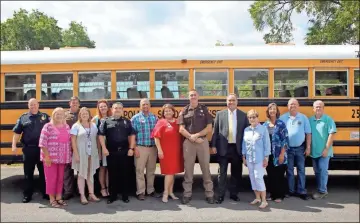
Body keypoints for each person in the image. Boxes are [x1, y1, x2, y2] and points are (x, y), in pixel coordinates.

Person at [177, 89, 215, 204]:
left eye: (194, 95)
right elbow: (181, 129)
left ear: (198, 96)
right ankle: (187, 194)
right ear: (188, 97)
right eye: (191, 95)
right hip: (189, 142)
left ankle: (209, 194)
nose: (193, 97)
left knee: (205, 169)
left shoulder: (204, 109)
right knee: (188, 169)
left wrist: (197, 135)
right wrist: (191, 137)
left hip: (202, 142)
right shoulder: (184, 111)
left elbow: (209, 128)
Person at [210, 94, 248, 204]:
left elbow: (246, 133)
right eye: (229, 101)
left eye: (233, 100)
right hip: (223, 147)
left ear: (237, 102)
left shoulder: (243, 115)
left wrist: (245, 150)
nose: (231, 102)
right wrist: (213, 145)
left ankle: (234, 194)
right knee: (222, 173)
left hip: (237, 148)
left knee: (236, 173)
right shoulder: (219, 114)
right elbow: (215, 131)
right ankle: (220, 195)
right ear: (226, 102)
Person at [12, 98, 50, 203]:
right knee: (28, 173)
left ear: (38, 105)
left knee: (44, 173)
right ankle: (27, 194)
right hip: (28, 148)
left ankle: (46, 193)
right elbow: (17, 133)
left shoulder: (45, 117)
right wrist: (14, 145)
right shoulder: (23, 118)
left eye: (35, 104)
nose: (33, 106)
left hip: (42, 149)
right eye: (31, 105)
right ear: (28, 106)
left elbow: (53, 129)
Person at [99, 102, 136, 204]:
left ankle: (125, 195)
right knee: (112, 174)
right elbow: (101, 135)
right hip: (111, 152)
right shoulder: (106, 121)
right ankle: (112, 196)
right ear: (112, 109)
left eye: (120, 108)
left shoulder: (127, 121)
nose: (118, 110)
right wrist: (104, 148)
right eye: (116, 108)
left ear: (122, 110)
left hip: (124, 151)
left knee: (125, 174)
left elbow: (132, 135)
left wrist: (131, 148)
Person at [39, 107, 72, 208]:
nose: (59, 115)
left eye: (61, 114)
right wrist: (47, 157)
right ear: (53, 115)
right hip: (50, 158)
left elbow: (69, 142)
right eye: (57, 114)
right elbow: (42, 143)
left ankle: (59, 197)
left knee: (60, 179)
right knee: (51, 179)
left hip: (62, 158)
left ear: (64, 116)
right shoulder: (48, 126)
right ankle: (52, 199)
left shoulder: (66, 126)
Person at [280, 98, 312, 200]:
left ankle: (301, 191)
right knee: (289, 170)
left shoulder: (303, 118)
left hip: (300, 148)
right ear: (288, 106)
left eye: (294, 104)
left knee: (301, 170)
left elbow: (308, 133)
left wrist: (308, 147)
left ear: (298, 106)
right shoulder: (283, 118)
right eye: (290, 105)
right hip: (287, 148)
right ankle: (291, 191)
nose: (292, 106)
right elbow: (280, 135)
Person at [151, 104, 184, 203]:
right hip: (166, 152)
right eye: (166, 111)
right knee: (169, 173)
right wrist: (160, 150)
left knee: (173, 173)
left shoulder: (177, 122)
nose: (168, 112)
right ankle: (165, 193)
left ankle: (171, 192)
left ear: (173, 112)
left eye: (169, 110)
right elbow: (156, 137)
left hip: (176, 151)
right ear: (163, 113)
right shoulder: (161, 122)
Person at [71, 107, 100, 205]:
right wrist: (76, 154)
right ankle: (82, 195)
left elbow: (97, 139)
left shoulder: (93, 125)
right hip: (81, 153)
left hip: (92, 153)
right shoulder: (76, 126)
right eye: (82, 113)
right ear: (80, 115)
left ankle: (91, 194)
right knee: (81, 174)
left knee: (90, 173)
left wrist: (98, 152)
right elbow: (73, 141)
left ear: (89, 115)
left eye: (86, 113)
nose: (84, 115)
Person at [131, 98, 159, 200]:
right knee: (139, 171)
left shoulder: (154, 118)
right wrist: (134, 148)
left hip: (152, 148)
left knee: (151, 170)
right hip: (140, 147)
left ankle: (150, 190)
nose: (145, 106)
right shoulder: (135, 118)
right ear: (140, 106)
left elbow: (158, 134)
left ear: (150, 105)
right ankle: (141, 191)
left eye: (147, 104)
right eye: (143, 105)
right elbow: (131, 135)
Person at [242, 109, 271, 209]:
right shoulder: (246, 130)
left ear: (258, 118)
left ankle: (264, 200)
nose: (252, 119)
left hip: (259, 158)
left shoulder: (263, 129)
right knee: (252, 177)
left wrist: (266, 158)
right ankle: (257, 197)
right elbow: (244, 144)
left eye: (254, 117)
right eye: (250, 117)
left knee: (259, 177)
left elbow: (267, 145)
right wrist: (243, 157)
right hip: (249, 158)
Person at [309, 100, 336, 199]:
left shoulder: (328, 119)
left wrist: (326, 149)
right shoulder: (310, 120)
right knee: (317, 171)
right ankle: (320, 188)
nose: (318, 108)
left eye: (320, 106)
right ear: (313, 109)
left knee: (323, 170)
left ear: (323, 108)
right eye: (316, 107)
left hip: (324, 151)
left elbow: (331, 134)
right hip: (314, 152)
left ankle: (323, 191)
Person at [263, 103, 289, 203]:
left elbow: (285, 140)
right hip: (269, 154)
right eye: (270, 109)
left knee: (279, 174)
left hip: (279, 153)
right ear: (268, 111)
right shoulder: (265, 125)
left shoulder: (281, 124)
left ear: (277, 111)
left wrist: (282, 154)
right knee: (271, 175)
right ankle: (272, 194)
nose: (272, 111)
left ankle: (279, 195)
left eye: (274, 109)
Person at [92, 99, 112, 198]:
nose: (103, 108)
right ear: (98, 109)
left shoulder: (111, 118)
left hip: (110, 146)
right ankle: (103, 188)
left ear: (108, 107)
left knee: (109, 168)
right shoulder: (95, 119)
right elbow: (94, 136)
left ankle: (109, 187)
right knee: (102, 168)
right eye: (101, 107)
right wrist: (99, 151)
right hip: (100, 146)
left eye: (104, 106)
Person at [63, 96, 80, 200]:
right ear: (69, 103)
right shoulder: (64, 114)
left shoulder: (82, 113)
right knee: (67, 169)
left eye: (76, 102)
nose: (74, 104)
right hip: (67, 144)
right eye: (72, 102)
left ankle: (80, 190)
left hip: (80, 144)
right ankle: (68, 191)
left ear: (79, 104)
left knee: (80, 169)